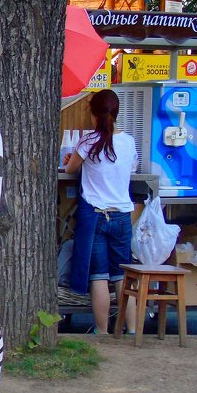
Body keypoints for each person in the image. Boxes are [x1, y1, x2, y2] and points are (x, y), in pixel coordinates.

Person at [62, 89, 139, 335]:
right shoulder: (128, 142)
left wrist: (70, 158)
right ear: (116, 113)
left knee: (99, 276)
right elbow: (132, 167)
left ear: (93, 115)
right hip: (122, 217)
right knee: (122, 277)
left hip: (95, 216)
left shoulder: (87, 142)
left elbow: (71, 169)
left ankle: (103, 332)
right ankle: (132, 330)